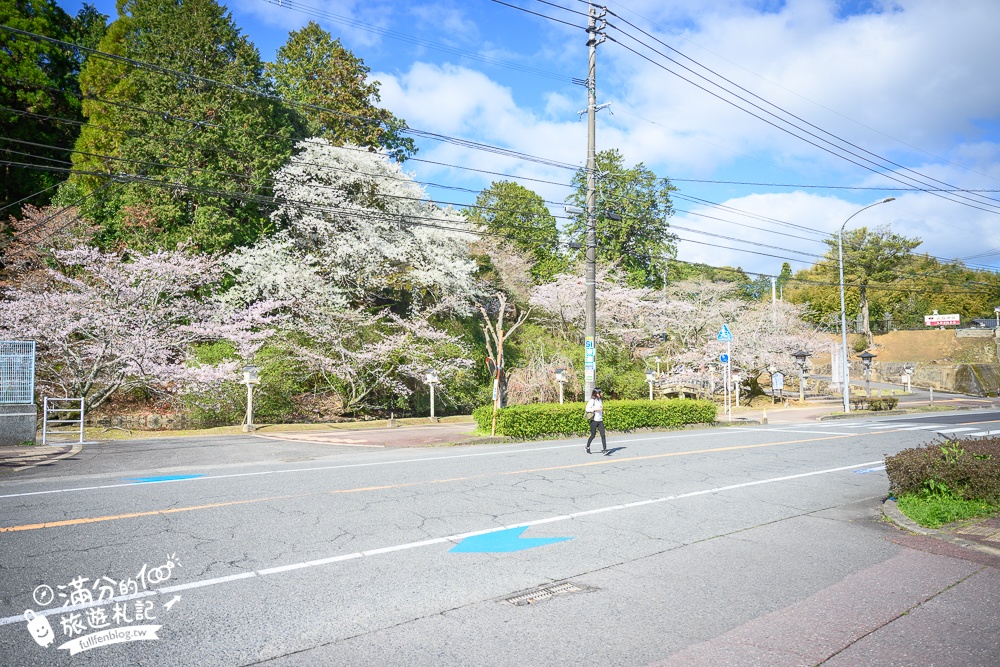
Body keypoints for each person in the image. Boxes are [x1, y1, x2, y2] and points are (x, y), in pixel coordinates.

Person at [584, 388, 606, 454]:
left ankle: (605, 449)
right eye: (600, 392)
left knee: (603, 435)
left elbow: (600, 409)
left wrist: (602, 412)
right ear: (597, 394)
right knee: (593, 435)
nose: (601, 393)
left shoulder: (600, 400)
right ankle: (587, 447)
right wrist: (595, 409)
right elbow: (587, 409)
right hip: (594, 420)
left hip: (600, 420)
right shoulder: (592, 401)